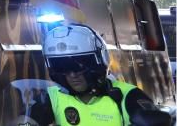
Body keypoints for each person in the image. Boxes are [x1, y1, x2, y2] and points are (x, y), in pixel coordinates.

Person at [28, 23, 170, 125]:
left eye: (79, 67)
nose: (72, 75)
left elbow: (154, 120)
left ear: (98, 62)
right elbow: (26, 121)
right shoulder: (52, 97)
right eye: (63, 68)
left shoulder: (126, 95)